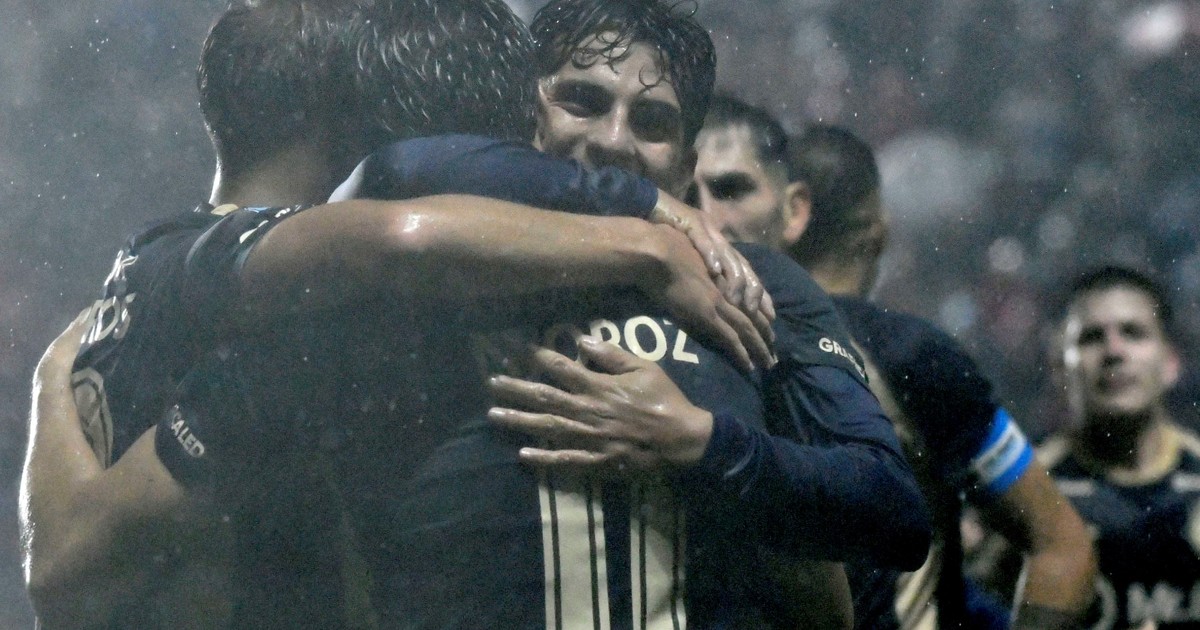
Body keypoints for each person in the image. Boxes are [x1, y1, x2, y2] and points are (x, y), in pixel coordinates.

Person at [20, 1, 773, 627]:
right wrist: (648, 238)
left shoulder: (149, 259)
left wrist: (49, 382)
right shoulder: (307, 315)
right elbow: (64, 572)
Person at [686, 95, 1097, 629]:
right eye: (690, 193)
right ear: (878, 232)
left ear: (794, 212)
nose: (707, 215)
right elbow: (1063, 548)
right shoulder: (664, 342)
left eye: (731, 190)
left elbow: (1062, 548)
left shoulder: (905, 357)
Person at [1042, 266, 1200, 630]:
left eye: (1133, 332)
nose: (1114, 351)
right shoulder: (1030, 492)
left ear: (1171, 363)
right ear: (1061, 368)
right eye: (1092, 337)